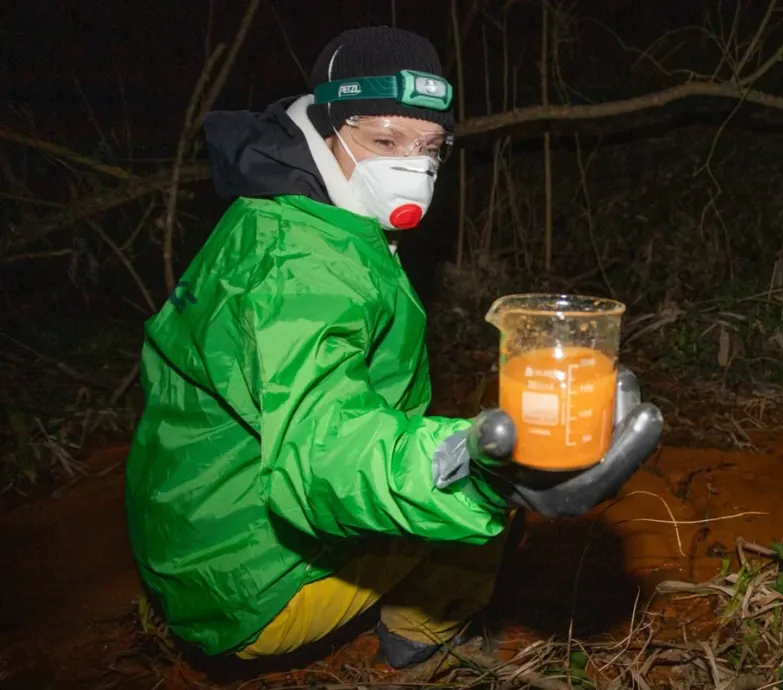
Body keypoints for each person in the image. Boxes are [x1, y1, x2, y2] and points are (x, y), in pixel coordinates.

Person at [124, 26, 663, 670]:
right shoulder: (300, 263)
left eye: (431, 148)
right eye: (384, 140)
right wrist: (471, 475)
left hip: (197, 536)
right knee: (483, 512)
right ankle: (424, 644)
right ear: (326, 129)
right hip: (247, 594)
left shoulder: (292, 212)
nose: (413, 165)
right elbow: (318, 450)